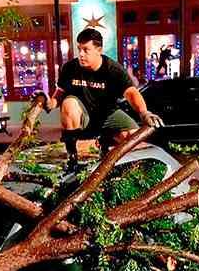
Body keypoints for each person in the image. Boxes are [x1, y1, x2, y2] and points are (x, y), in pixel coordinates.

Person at [39, 28, 163, 172]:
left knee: (133, 136)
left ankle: (106, 145)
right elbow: (59, 95)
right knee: (69, 103)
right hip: (83, 116)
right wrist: (48, 103)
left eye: (86, 50)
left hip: (107, 114)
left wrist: (144, 113)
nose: (81, 54)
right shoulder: (70, 68)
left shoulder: (113, 69)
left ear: (99, 50)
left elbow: (131, 93)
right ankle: (73, 158)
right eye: (79, 49)